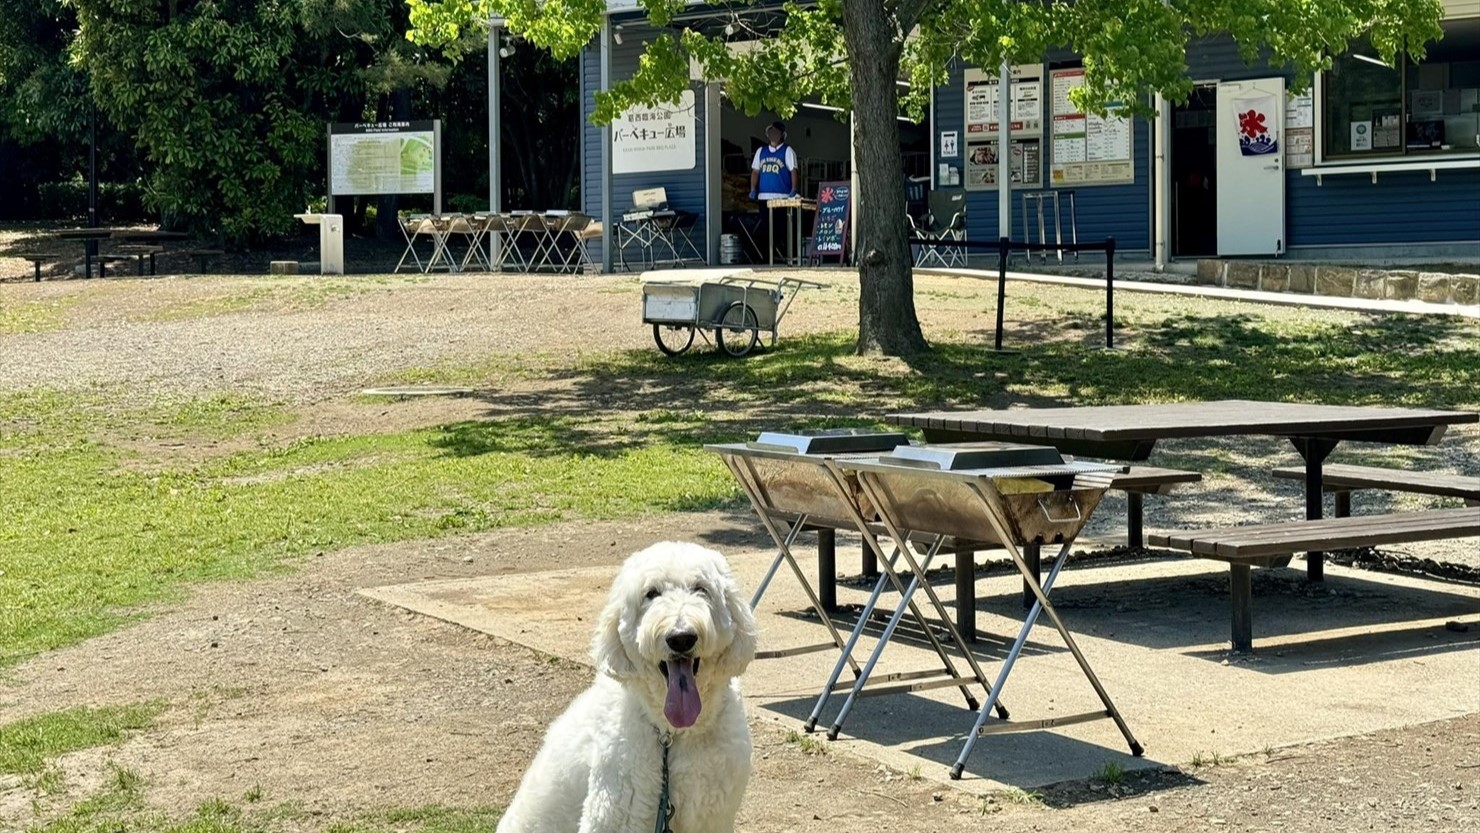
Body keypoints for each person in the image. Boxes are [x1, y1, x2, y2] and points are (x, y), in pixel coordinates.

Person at [749, 121, 798, 202]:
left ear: (782, 135)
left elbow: (793, 170)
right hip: (763, 196)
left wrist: (794, 188)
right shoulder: (761, 151)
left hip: (782, 197)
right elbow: (755, 171)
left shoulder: (787, 150)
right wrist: (753, 188)